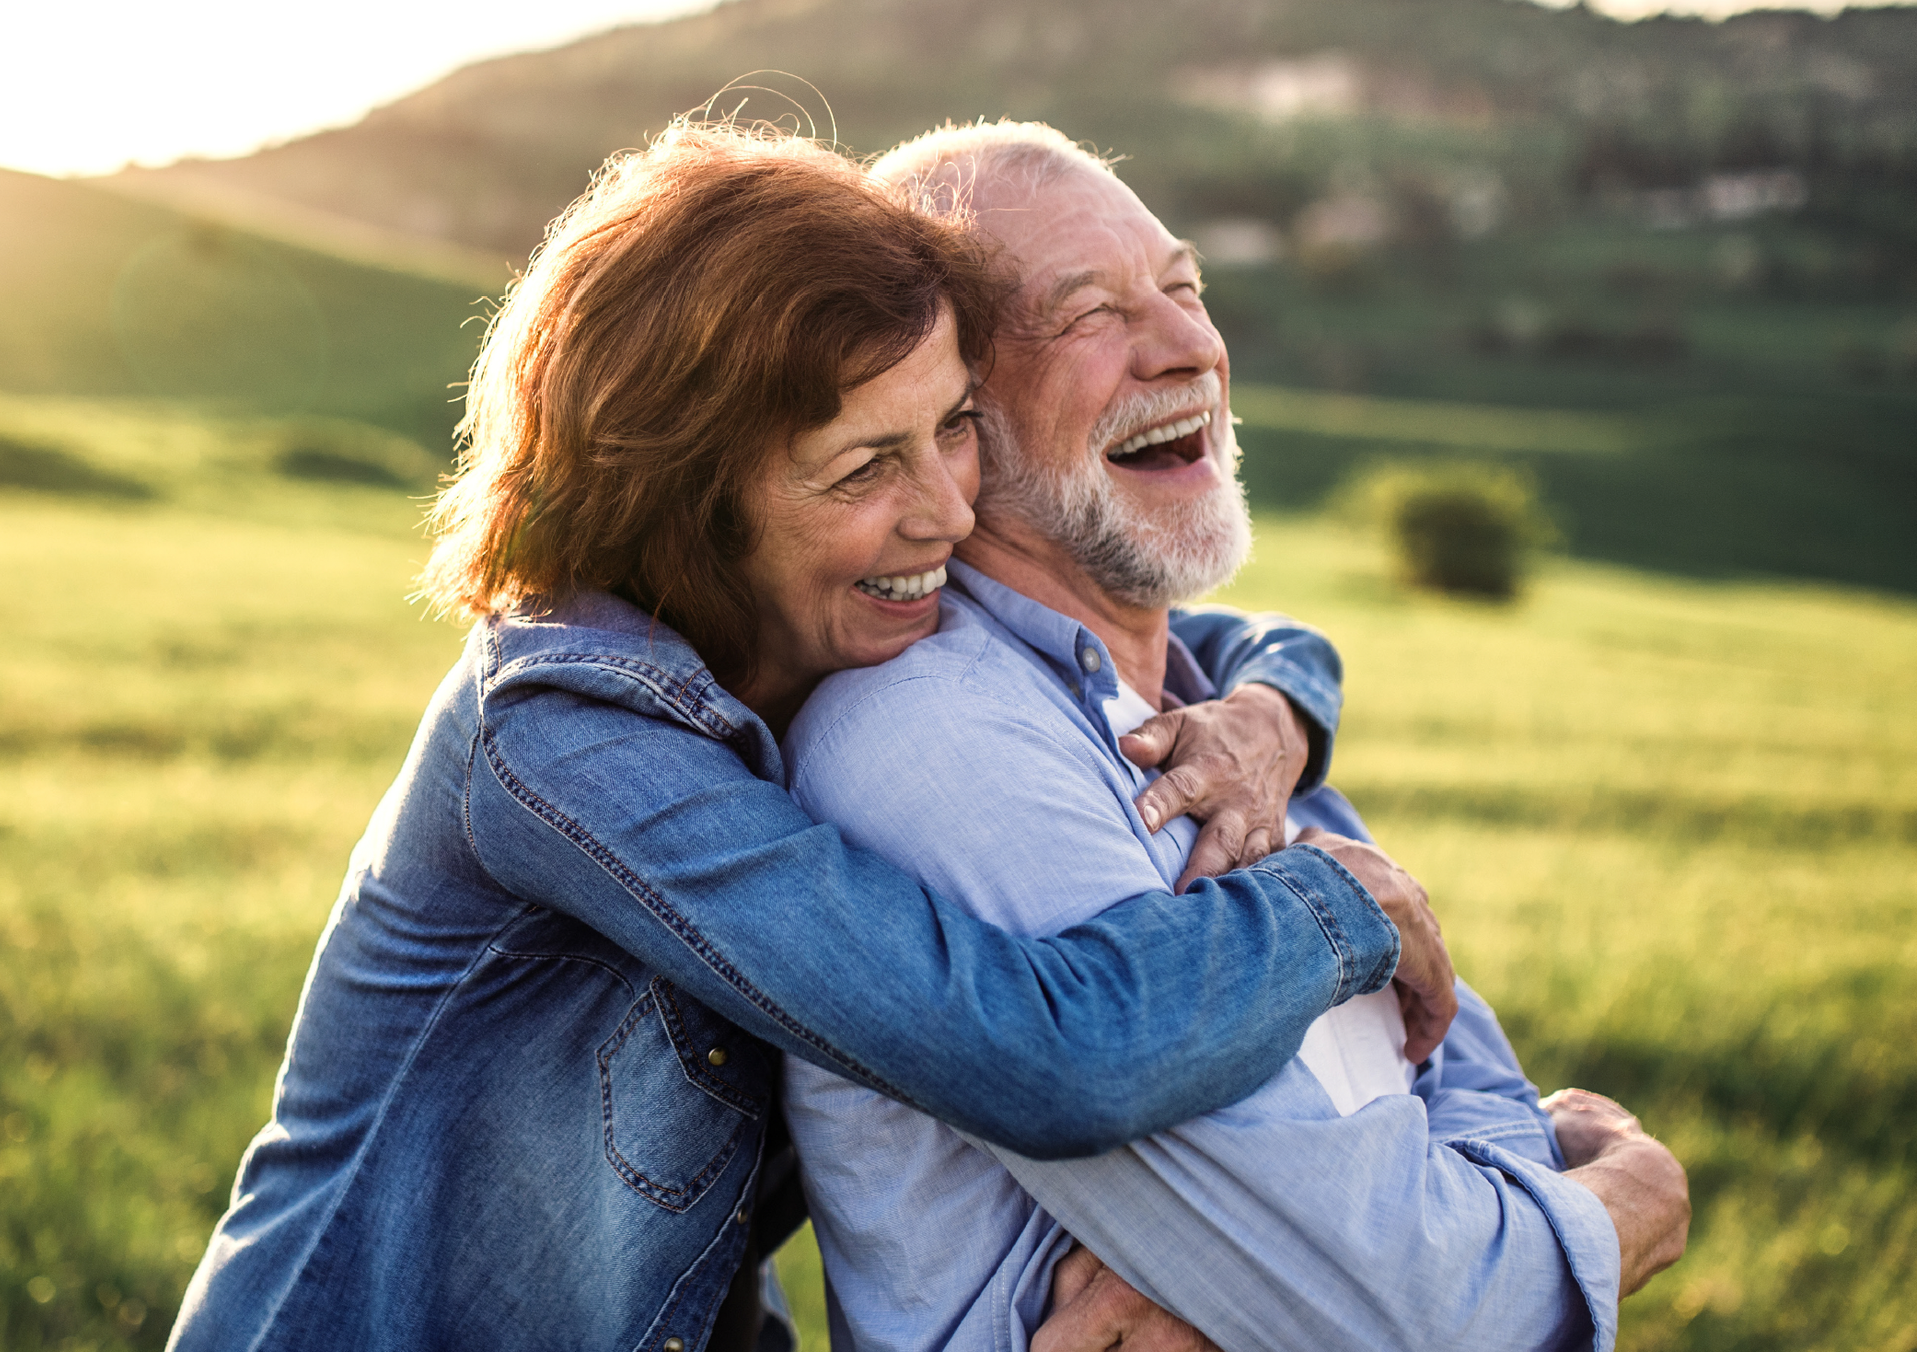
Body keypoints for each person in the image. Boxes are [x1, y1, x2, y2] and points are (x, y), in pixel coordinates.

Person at [163, 123, 1458, 1352]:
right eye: (862, 469)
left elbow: (1222, 636)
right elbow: (1040, 1053)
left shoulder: (827, 624)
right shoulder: (564, 739)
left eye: (952, 424)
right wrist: (1334, 902)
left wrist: (1271, 714)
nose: (948, 511)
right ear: (686, 500)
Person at [780, 121, 1690, 1352]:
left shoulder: (1226, 724)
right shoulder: (936, 743)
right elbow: (1412, 1312)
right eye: (1091, 310)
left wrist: (1479, 1197)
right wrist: (1616, 1204)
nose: (1190, 346)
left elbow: (1446, 1067)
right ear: (950, 414)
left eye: (1184, 286)